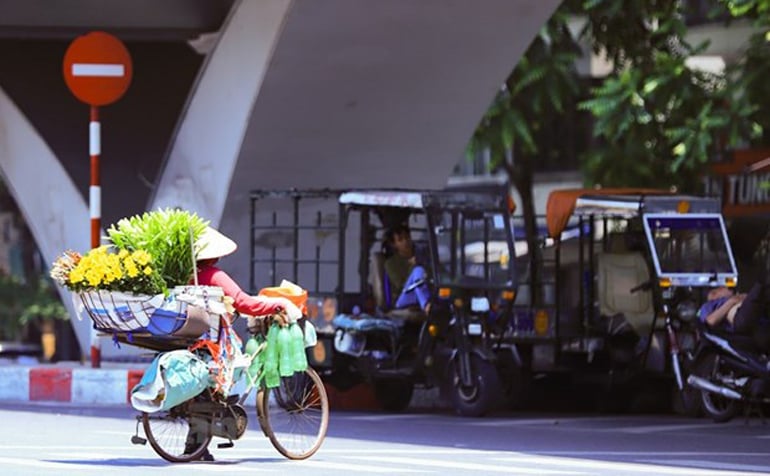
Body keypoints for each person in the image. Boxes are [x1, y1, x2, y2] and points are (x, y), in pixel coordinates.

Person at [185, 226, 297, 461]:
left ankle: (195, 446)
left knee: (205, 391)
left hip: (185, 337)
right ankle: (195, 446)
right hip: (209, 342)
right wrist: (277, 304)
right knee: (216, 382)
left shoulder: (183, 276)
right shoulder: (215, 276)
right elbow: (245, 304)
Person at [383, 224, 431, 314]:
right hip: (403, 298)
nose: (405, 241)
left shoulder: (422, 255)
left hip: (424, 292)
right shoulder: (391, 263)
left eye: (407, 237)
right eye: (400, 240)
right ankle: (426, 306)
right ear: (394, 245)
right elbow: (400, 286)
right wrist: (413, 266)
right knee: (418, 270)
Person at [699, 283, 768, 336]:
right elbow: (710, 321)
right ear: (714, 293)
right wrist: (732, 301)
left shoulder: (735, 296)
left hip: (759, 321)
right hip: (740, 317)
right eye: (727, 287)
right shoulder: (708, 306)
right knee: (760, 287)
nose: (731, 289)